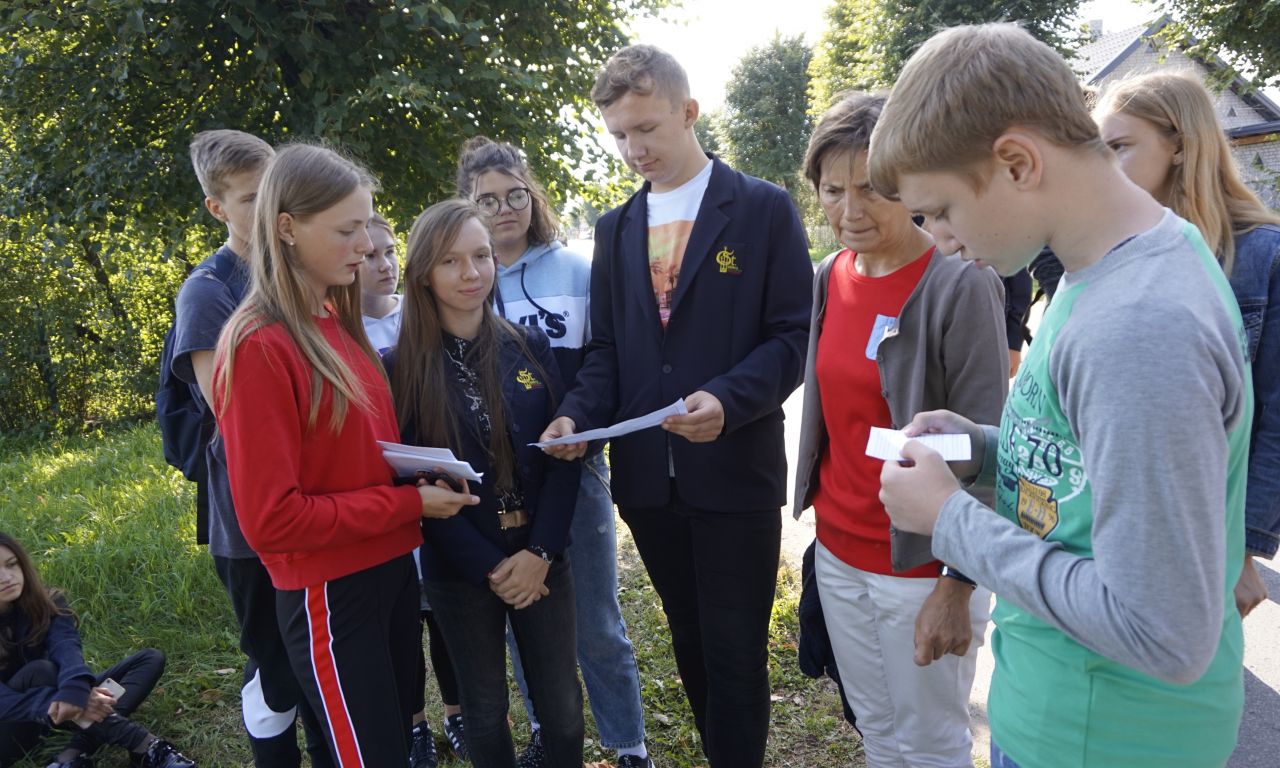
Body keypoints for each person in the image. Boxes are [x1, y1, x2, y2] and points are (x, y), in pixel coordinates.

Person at [870, 24, 1251, 768]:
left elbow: (1163, 633)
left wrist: (949, 520)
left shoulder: (1139, 326)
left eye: (940, 209)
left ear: (1017, 162)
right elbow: (1088, 460)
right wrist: (981, 449)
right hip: (1066, 714)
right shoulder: (1114, 264)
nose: (938, 238)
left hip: (1106, 738)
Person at [540, 44, 814, 767]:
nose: (634, 149)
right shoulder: (615, 228)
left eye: (647, 128)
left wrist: (728, 398)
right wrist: (576, 416)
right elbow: (608, 351)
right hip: (647, 484)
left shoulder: (761, 209)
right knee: (689, 638)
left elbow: (792, 337)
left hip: (735, 471)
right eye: (619, 135)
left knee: (735, 650)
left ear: (689, 112)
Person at [214, 144, 475, 766]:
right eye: (347, 230)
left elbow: (355, 457)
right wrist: (407, 503)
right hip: (329, 591)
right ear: (287, 227)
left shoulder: (334, 321)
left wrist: (420, 477)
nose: (365, 245)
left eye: (367, 225)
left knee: (389, 745)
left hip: (389, 569)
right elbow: (273, 520)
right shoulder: (259, 344)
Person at [793, 92, 1007, 768]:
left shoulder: (960, 283)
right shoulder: (829, 277)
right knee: (877, 730)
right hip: (838, 553)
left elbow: (990, 446)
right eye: (832, 191)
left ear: (908, 186)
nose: (849, 211)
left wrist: (957, 582)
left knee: (933, 742)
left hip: (921, 565)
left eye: (871, 190)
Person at [455, 136, 651, 768]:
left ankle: (628, 744)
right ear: (468, 206)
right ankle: (545, 729)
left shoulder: (574, 269)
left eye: (515, 194)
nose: (504, 210)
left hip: (575, 467)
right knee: (524, 608)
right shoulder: (465, 279)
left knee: (596, 620)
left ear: (532, 195)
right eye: (487, 200)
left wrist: (580, 420)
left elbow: (603, 359)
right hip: (500, 484)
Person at [386, 199, 584, 768]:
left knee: (563, 707)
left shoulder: (529, 346)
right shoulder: (399, 368)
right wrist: (490, 568)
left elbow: (561, 458)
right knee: (484, 709)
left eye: (481, 256)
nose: (471, 273)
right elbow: (412, 482)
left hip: (542, 556)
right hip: (461, 566)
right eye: (451, 261)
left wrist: (540, 553)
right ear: (424, 273)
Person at [172, 130, 332, 768]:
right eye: (249, 198)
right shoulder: (209, 291)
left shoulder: (298, 267)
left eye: (274, 191)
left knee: (317, 657)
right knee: (275, 664)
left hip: (314, 500)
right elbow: (230, 409)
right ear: (217, 208)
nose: (267, 208)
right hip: (250, 521)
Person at [1095, 70, 1280, 618]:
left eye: (1120, 146)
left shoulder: (1263, 255)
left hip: (1208, 529)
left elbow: (1275, 418)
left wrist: (1245, 546)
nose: (1106, 166)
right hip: (1113, 520)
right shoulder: (1110, 250)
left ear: (1179, 145)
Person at [357, 210, 468, 767]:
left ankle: (457, 713)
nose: (383, 265)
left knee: (445, 613)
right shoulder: (342, 332)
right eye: (369, 255)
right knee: (402, 624)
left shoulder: (419, 318)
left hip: (437, 490)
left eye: (390, 252)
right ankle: (415, 723)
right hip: (387, 498)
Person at [0, 532, 195, 768]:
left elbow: (66, 648)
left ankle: (72, 754)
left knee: (148, 659)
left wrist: (76, 690)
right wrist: (61, 699)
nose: (6, 577)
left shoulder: (45, 601)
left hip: (56, 709)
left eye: (11, 564)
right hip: (9, 727)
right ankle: (146, 746)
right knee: (41, 671)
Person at [360, 213, 405, 355]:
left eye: (389, 252)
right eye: (370, 256)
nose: (386, 265)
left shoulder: (420, 311)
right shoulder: (338, 328)